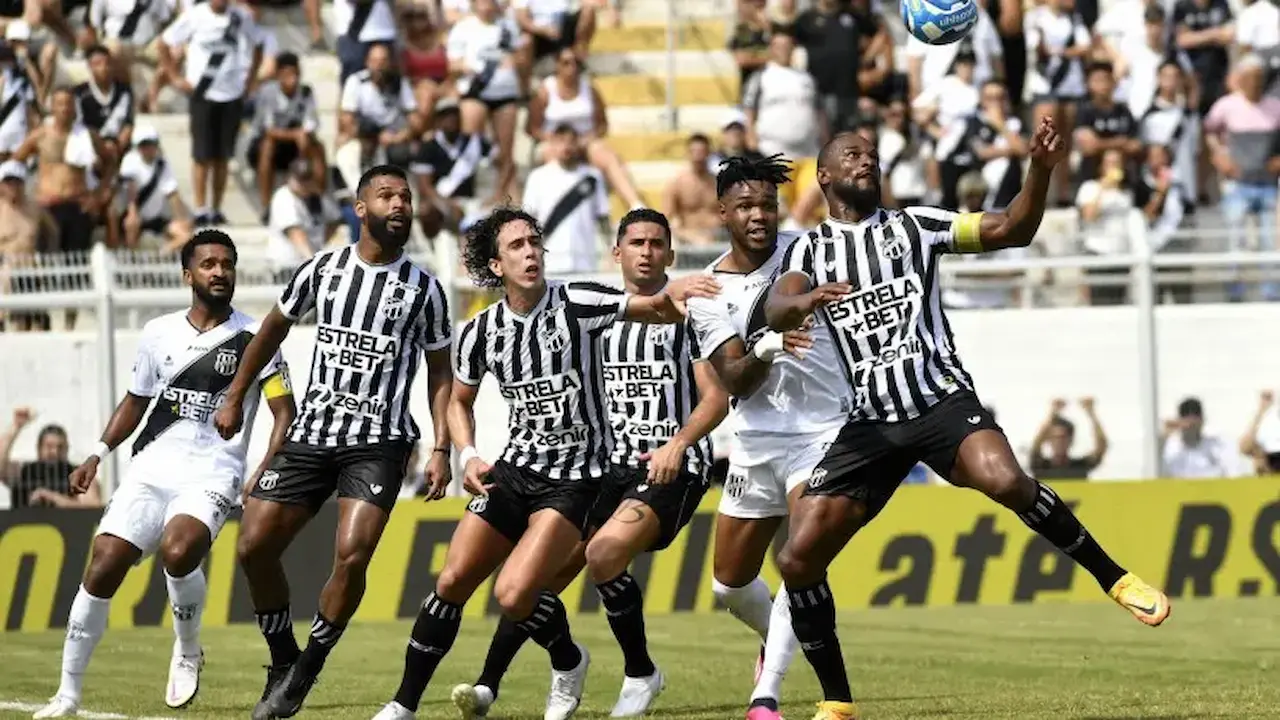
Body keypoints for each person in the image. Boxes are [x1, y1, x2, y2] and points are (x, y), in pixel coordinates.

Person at [762, 119, 1172, 720]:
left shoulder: (915, 227)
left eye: (873, 154)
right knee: (797, 560)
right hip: (870, 422)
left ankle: (1115, 578)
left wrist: (1040, 169)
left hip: (939, 401)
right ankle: (838, 700)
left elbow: (1011, 229)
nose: (867, 161)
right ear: (823, 175)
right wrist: (802, 303)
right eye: (853, 155)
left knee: (1006, 481)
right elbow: (776, 305)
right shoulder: (807, 250)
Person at [372, 206, 721, 720]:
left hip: (577, 481)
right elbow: (458, 401)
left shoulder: (578, 300)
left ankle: (571, 661)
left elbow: (651, 307)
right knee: (450, 582)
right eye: (516, 246)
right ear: (496, 266)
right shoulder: (480, 331)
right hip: (514, 472)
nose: (530, 252)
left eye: (534, 242)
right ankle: (403, 705)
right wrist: (466, 453)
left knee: (515, 594)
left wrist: (676, 296)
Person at [212, 165, 455, 720]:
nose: (400, 205)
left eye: (406, 197)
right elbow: (269, 331)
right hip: (312, 435)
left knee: (352, 554)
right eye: (386, 195)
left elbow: (441, 372)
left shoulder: (426, 291)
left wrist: (443, 446)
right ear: (361, 208)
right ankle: (283, 658)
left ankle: (307, 671)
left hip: (379, 442)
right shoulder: (320, 271)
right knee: (252, 546)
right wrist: (234, 394)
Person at [32, 229, 297, 719]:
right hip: (150, 469)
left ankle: (188, 648)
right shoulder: (158, 332)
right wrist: (96, 453)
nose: (220, 272)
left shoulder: (256, 337)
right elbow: (136, 401)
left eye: (228, 264)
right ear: (187, 275)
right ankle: (66, 695)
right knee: (104, 563)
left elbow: (285, 411)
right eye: (209, 264)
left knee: (179, 552)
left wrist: (264, 468)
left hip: (212, 473)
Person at [684, 154, 852, 720]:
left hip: (823, 430)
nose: (759, 215)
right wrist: (768, 344)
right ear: (722, 212)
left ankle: (767, 695)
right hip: (756, 438)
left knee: (799, 561)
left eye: (767, 204)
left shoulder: (809, 253)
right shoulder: (708, 292)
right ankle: (777, 635)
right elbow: (732, 377)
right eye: (746, 206)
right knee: (728, 586)